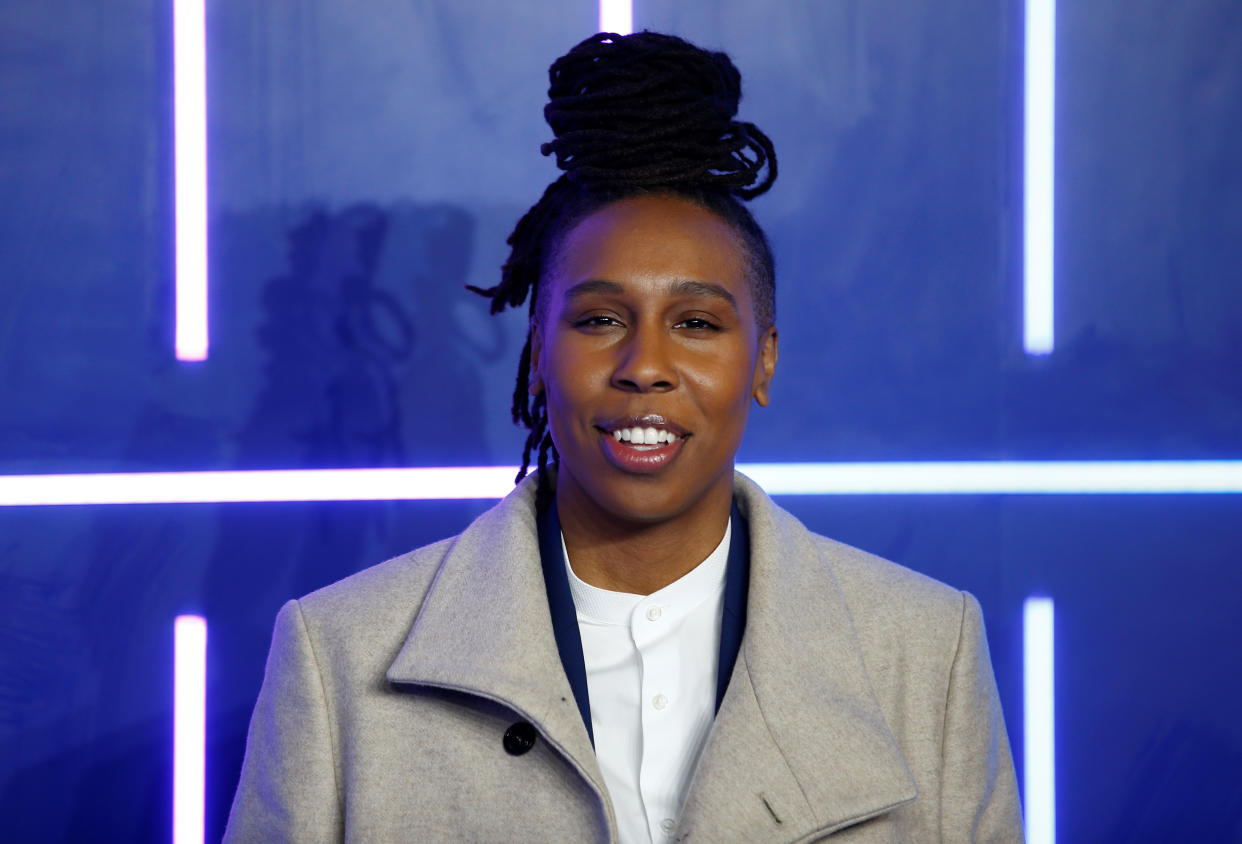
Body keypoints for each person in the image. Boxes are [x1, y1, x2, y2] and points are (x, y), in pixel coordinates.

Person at [225, 31, 1024, 842]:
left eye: (698, 323)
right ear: (538, 353)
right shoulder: (336, 658)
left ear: (764, 361)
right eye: (601, 319)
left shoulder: (930, 652)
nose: (646, 365)